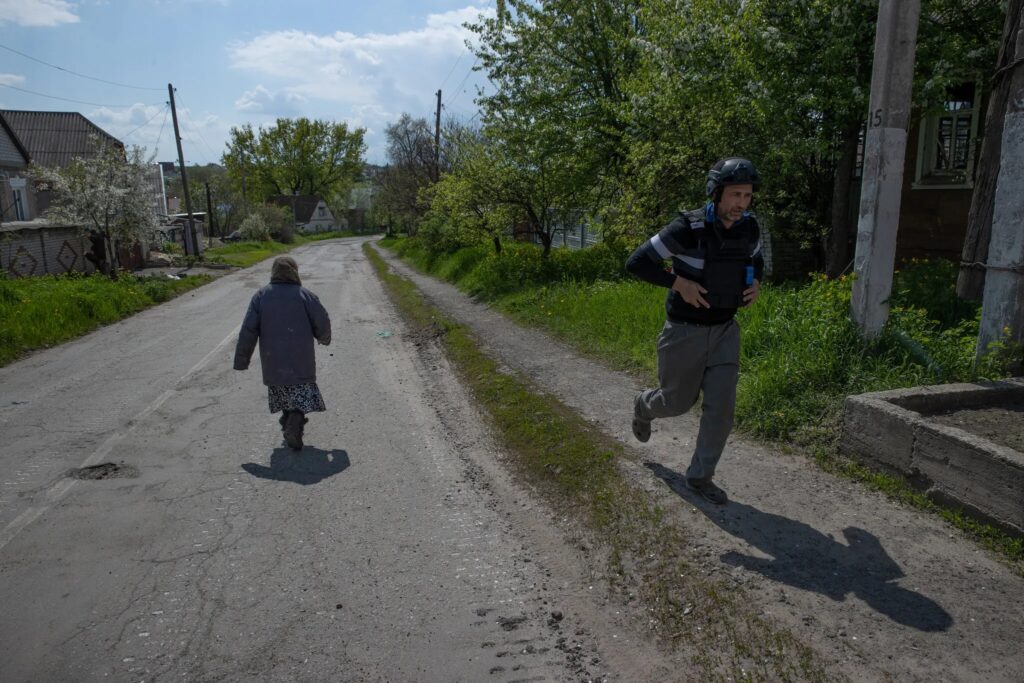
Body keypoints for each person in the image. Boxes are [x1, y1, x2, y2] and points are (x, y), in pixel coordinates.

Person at [625, 157, 765, 505]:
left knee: (722, 408)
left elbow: (756, 259)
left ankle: (700, 477)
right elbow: (637, 262)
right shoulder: (687, 227)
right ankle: (644, 406)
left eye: (747, 196)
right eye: (735, 195)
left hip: (725, 331)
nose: (741, 204)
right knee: (675, 403)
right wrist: (678, 283)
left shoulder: (750, 228)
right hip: (684, 332)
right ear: (716, 194)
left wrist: (756, 281)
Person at [233, 256, 332, 451]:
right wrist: (324, 337)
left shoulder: (261, 296)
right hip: (301, 359)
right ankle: (294, 422)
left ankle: (289, 422)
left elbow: (248, 330)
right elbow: (322, 319)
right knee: (300, 395)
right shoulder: (305, 295)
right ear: (294, 271)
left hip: (273, 360)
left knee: (283, 393)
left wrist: (242, 359)